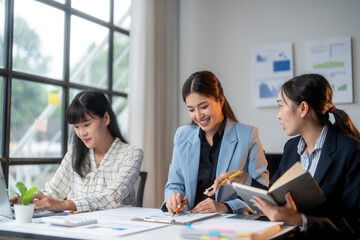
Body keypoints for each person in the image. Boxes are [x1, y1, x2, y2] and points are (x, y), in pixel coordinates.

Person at [208, 74, 360, 239]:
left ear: (303, 108)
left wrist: (299, 220)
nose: (278, 115)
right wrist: (246, 180)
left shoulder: (350, 151)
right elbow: (274, 196)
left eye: (281, 106)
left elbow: (354, 224)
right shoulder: (292, 147)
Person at [11, 90, 143, 212]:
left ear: (106, 118)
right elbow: (54, 192)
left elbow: (111, 197)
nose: (81, 133)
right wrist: (28, 200)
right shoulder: (75, 153)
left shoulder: (132, 154)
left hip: (116, 230)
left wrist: (64, 204)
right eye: (76, 127)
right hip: (77, 228)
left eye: (87, 125)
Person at [161, 71, 269, 215]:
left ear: (221, 101)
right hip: (189, 221)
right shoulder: (182, 135)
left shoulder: (248, 135)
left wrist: (226, 207)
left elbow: (261, 193)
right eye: (191, 110)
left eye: (204, 107)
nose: (198, 116)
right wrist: (172, 199)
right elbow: (174, 184)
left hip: (230, 225)